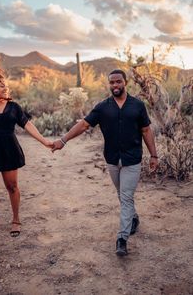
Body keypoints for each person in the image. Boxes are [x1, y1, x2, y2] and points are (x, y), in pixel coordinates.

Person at [52, 69, 158, 256]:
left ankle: (122, 239)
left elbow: (146, 131)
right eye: (112, 83)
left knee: (125, 197)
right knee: (121, 194)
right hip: (111, 159)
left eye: (118, 82)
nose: (115, 85)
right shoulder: (102, 107)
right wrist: (63, 140)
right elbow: (84, 124)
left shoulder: (137, 105)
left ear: (125, 83)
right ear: (109, 85)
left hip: (132, 159)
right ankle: (133, 218)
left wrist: (154, 155)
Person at [0, 70, 53, 254]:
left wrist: (45, 141)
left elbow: (28, 125)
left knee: (12, 187)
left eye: (6, 85)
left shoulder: (14, 107)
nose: (5, 87)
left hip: (9, 151)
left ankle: (15, 219)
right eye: (1, 85)